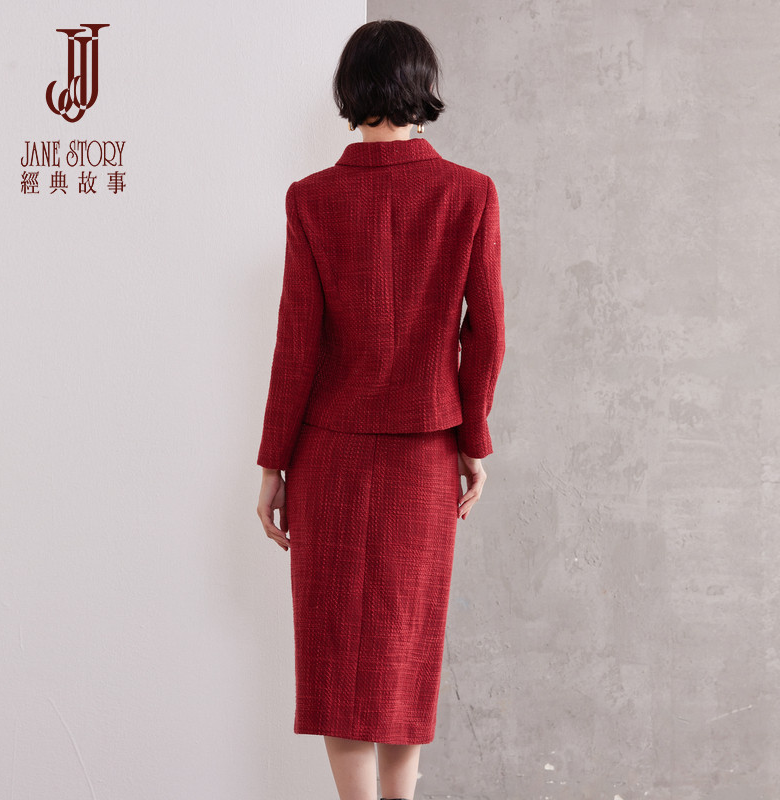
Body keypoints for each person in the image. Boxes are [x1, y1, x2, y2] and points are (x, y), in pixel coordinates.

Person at [255, 19, 505, 800]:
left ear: (350, 89)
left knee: (337, 654)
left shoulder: (311, 200)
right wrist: (474, 440)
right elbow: (487, 333)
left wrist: (273, 465)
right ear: (422, 87)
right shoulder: (469, 193)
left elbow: (297, 345)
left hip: (328, 457)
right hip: (424, 455)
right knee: (405, 645)